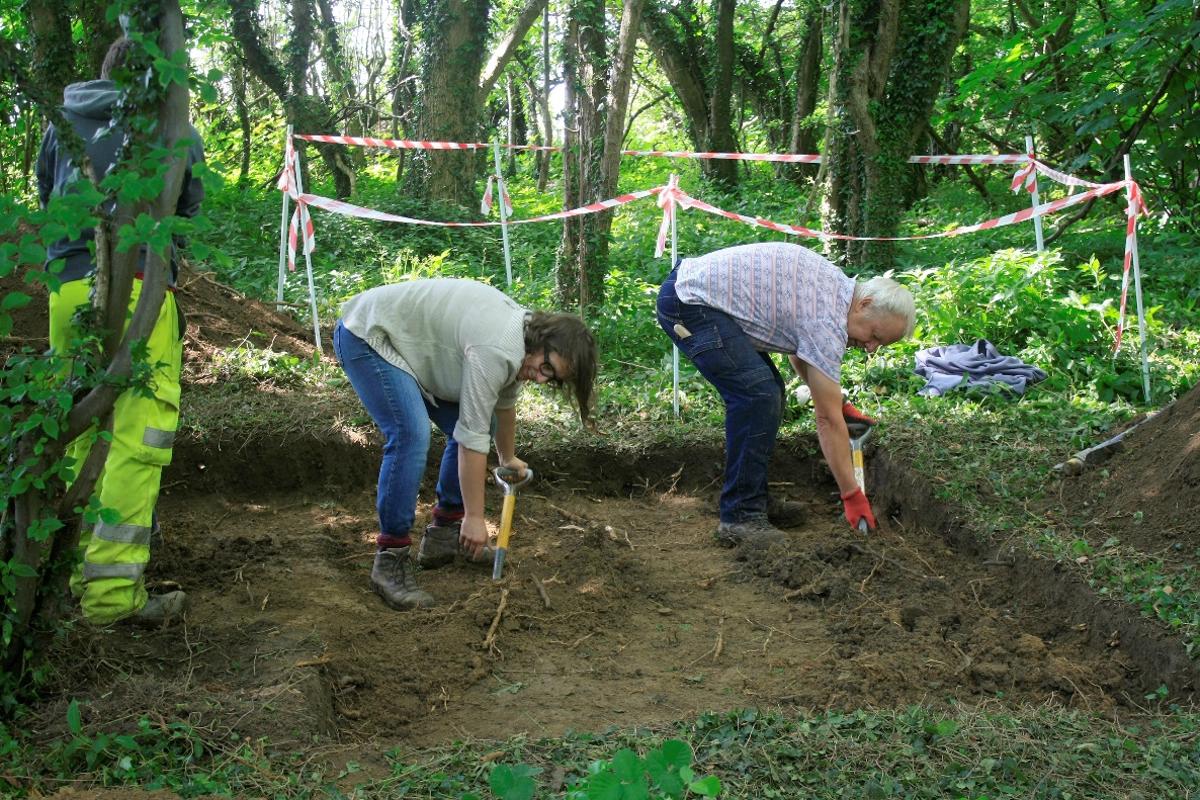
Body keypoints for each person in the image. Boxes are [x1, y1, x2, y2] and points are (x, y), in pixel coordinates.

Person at [37, 37, 206, 626]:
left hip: (67, 290)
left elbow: (45, 196)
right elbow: (190, 204)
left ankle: (65, 579)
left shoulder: (62, 120)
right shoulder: (172, 125)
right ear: (161, 80)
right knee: (141, 437)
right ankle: (109, 601)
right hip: (137, 287)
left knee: (80, 428)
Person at [334, 278, 598, 610]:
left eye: (552, 378)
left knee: (480, 421)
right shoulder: (499, 347)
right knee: (411, 434)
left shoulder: (523, 346)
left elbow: (502, 407)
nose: (541, 378)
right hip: (369, 335)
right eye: (546, 367)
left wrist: (508, 457)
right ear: (543, 339)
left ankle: (443, 535)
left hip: (413, 350)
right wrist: (474, 516)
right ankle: (391, 560)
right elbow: (471, 438)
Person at [655, 241, 915, 546]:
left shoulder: (835, 290)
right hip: (689, 303)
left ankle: (751, 498)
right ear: (864, 304)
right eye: (873, 336)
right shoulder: (828, 319)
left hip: (695, 291)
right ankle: (740, 516)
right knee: (758, 397)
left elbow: (801, 350)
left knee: (768, 393)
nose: (870, 348)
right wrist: (852, 495)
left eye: (879, 346)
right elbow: (826, 421)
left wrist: (838, 404)